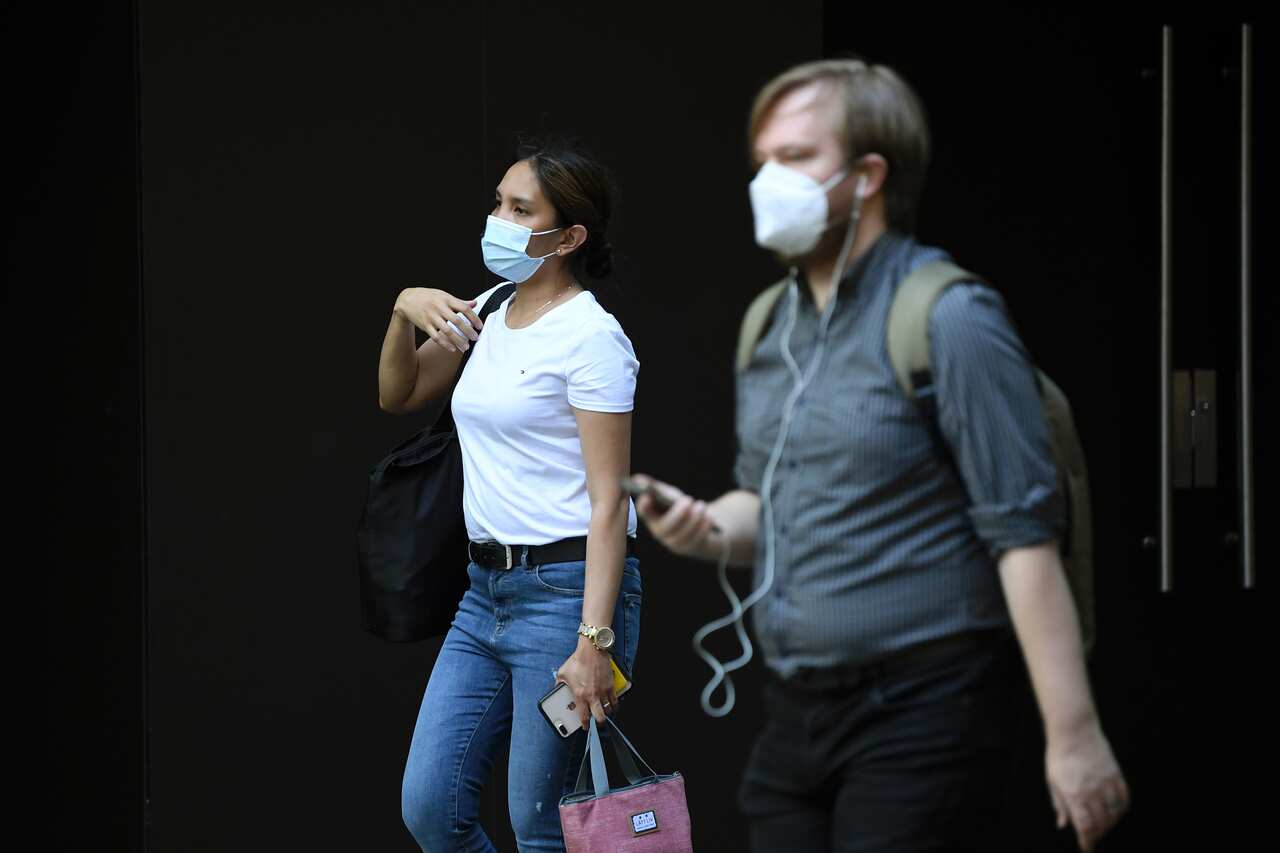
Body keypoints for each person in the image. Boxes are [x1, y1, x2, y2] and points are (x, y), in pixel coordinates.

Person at [632, 59, 1128, 852]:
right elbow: (769, 503)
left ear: (867, 176)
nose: (768, 182)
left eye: (796, 158)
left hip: (926, 710)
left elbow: (1026, 539)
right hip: (795, 715)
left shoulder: (950, 316)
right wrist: (706, 527)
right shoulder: (770, 324)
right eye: (762, 162)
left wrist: (1073, 736)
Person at [380, 137, 642, 852]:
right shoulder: (490, 308)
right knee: (432, 809)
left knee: (541, 821)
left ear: (570, 236)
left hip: (568, 605)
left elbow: (610, 501)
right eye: (499, 201)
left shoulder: (592, 338)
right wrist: (403, 309)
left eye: (520, 208)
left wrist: (594, 644)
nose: (499, 217)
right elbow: (399, 392)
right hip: (483, 598)